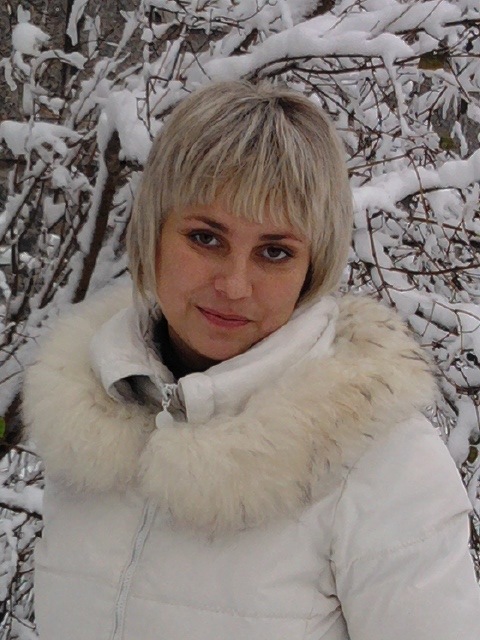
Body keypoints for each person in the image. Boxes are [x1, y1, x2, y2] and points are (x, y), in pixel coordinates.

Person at [23, 81, 479, 640]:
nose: (235, 285)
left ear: (312, 267)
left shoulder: (381, 461)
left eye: (275, 252)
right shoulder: (90, 418)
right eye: (205, 238)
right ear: (153, 232)